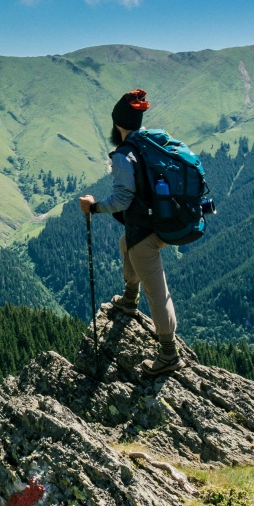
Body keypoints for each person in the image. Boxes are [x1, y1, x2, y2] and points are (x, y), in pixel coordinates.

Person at [79, 89, 183, 375]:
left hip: (147, 231)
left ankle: (168, 354)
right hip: (165, 219)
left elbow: (122, 200)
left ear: (117, 124)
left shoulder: (126, 154)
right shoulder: (151, 141)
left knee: (157, 291)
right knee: (127, 243)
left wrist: (94, 207)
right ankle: (128, 300)